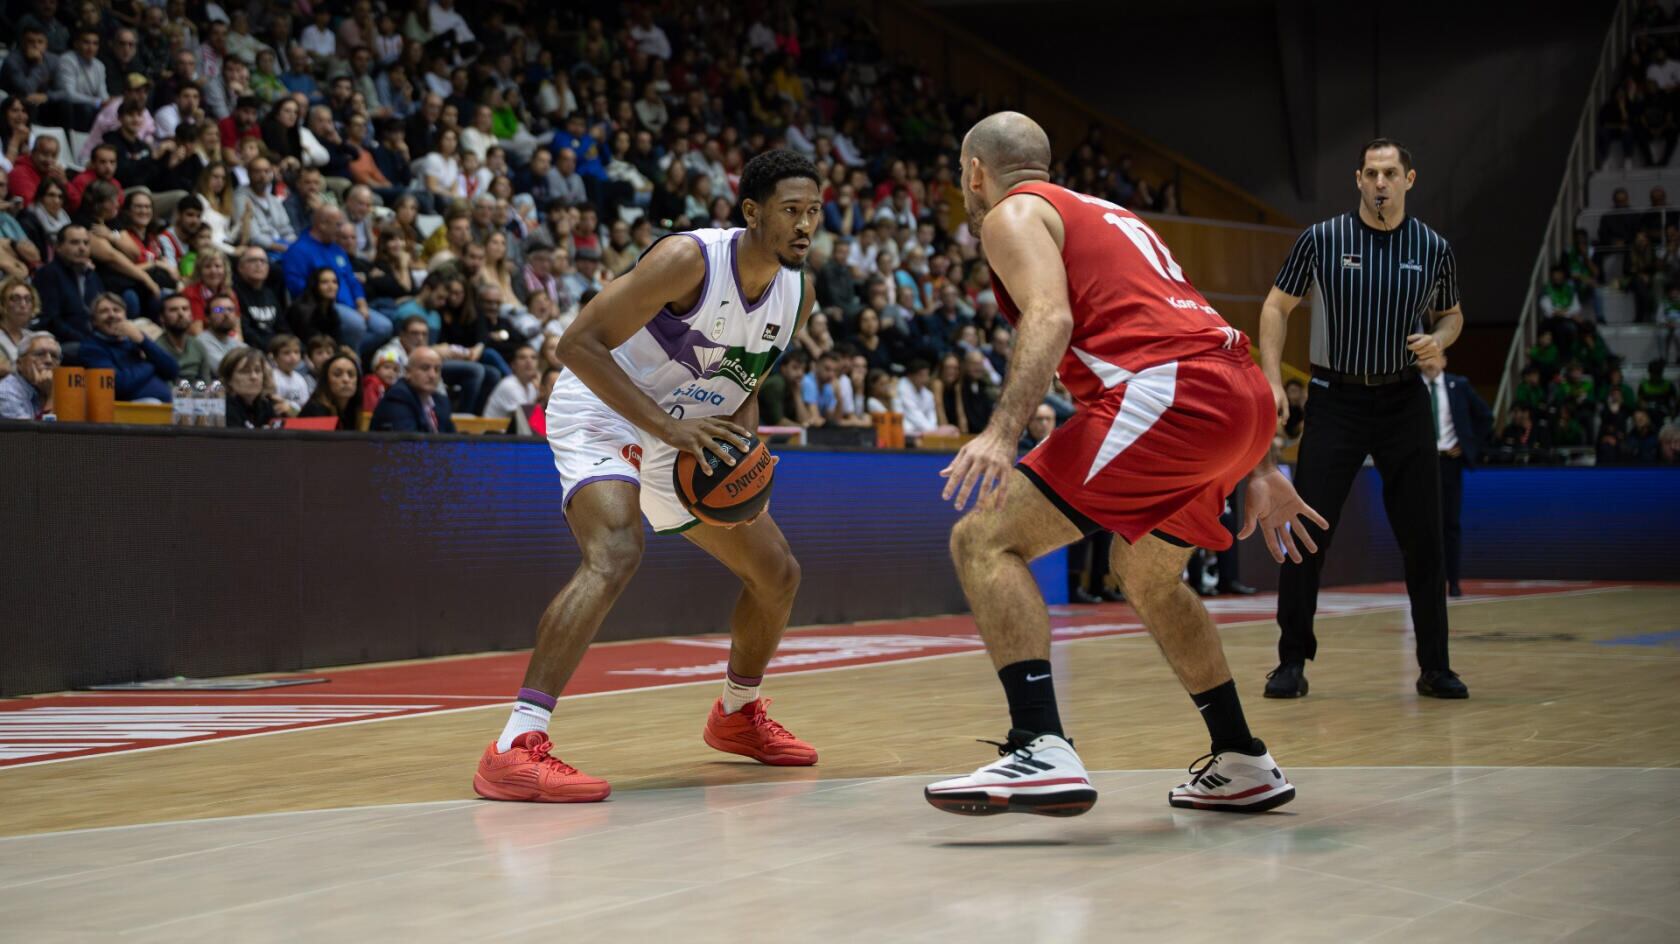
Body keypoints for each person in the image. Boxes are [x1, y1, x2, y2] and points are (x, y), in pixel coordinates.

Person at [925, 113, 1324, 818]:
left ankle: (1038, 743)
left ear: (976, 172)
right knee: (1145, 573)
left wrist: (1000, 431)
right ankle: (1240, 756)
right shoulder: (1106, 213)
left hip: (1171, 393)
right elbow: (1197, 323)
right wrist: (1259, 464)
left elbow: (1049, 319)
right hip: (1234, 394)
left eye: (964, 176)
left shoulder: (1012, 213)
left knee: (984, 538)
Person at [472, 150, 821, 804]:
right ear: (752, 212)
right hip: (603, 408)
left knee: (778, 573)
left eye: (815, 213)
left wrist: (741, 444)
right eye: (791, 211)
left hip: (683, 429)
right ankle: (512, 747)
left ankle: (737, 715)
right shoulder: (688, 261)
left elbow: (744, 379)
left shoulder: (796, 292)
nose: (806, 226)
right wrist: (667, 428)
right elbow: (574, 343)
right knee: (615, 553)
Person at [1258, 139, 1469, 701]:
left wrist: (1438, 339)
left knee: (1424, 538)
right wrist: (1273, 379)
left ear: (1409, 179)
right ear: (1358, 179)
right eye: (1371, 172)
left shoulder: (1433, 247)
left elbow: (1452, 316)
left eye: (1390, 173)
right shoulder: (1322, 239)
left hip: (1404, 401)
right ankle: (1290, 661)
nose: (1380, 182)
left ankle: (1435, 666)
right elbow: (1276, 306)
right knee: (1305, 533)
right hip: (1335, 398)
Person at [1418, 356, 1492, 597]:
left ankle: (1453, 580)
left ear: (1444, 360)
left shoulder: (1458, 385)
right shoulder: (1411, 388)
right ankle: (1428, 580)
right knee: (1423, 524)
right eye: (1423, 358)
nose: (1428, 362)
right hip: (1420, 463)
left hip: (1449, 461)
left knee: (1450, 523)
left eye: (1432, 357)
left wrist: (1468, 445)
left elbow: (1485, 416)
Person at [283, 204, 391, 356]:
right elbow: (296, 286)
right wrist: (325, 299)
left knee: (384, 327)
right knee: (357, 324)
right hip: (324, 306)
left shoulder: (337, 249)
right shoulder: (299, 250)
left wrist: (361, 303)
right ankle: (350, 361)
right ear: (322, 224)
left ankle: (344, 353)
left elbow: (351, 279)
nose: (341, 229)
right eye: (338, 224)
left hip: (351, 305)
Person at [78, 291, 179, 400]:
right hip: (127, 409)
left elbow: (172, 370)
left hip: (166, 404)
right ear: (94, 321)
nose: (112, 315)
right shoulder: (91, 348)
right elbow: (119, 384)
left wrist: (143, 340)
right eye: (104, 311)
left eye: (117, 310)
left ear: (125, 316)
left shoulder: (135, 339)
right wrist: (151, 363)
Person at [33, 224, 103, 341]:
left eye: (86, 243)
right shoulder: (48, 274)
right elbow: (52, 322)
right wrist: (87, 341)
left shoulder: (92, 275)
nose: (82, 248)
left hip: (94, 341)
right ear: (58, 247)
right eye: (75, 243)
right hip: (65, 343)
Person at [369, 344, 454, 432]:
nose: (432, 375)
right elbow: (409, 443)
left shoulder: (441, 401)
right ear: (407, 372)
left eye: (437, 369)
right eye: (425, 368)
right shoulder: (398, 398)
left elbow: (453, 438)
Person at [220, 344, 292, 428]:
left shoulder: (266, 404)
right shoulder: (223, 409)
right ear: (229, 379)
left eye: (258, 371)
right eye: (245, 371)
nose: (254, 377)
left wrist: (289, 413)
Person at [0, 331, 58, 418]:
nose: (49, 360)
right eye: (40, 354)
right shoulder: (7, 393)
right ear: (20, 363)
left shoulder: (58, 388)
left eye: (54, 356)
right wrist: (51, 398)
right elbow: (31, 432)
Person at [299, 350, 362, 430]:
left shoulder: (352, 410)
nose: (346, 380)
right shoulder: (316, 410)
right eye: (337, 374)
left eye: (351, 374)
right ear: (326, 381)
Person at [152, 293, 208, 383]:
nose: (181, 314)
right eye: (173, 310)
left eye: (185, 309)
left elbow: (207, 382)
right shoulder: (157, 348)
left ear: (191, 315)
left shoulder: (198, 346)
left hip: (198, 395)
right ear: (162, 318)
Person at [483, 343, 539, 419]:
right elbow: (530, 421)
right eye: (522, 357)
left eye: (533, 357)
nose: (529, 361)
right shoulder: (509, 385)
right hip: (492, 430)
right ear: (513, 365)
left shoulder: (531, 386)